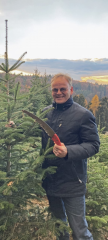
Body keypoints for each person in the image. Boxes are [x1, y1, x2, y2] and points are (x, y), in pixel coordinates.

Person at [41, 73, 100, 240]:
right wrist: (14, 127)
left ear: (71, 90)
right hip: (50, 180)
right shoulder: (46, 113)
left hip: (72, 182)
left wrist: (69, 151)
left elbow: (93, 145)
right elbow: (32, 132)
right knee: (60, 228)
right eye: (55, 89)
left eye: (62, 89)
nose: (58, 92)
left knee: (80, 232)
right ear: (51, 91)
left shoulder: (83, 115)